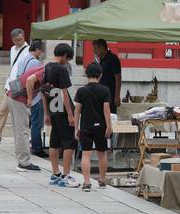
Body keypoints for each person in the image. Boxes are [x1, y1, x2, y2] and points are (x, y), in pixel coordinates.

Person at [42, 43, 78, 187]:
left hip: (52, 108)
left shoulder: (47, 67)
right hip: (63, 110)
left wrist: (46, 113)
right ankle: (66, 175)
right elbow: (65, 93)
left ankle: (55, 173)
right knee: (69, 143)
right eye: (68, 59)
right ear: (64, 56)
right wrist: (71, 115)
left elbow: (43, 91)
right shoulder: (61, 70)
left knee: (54, 142)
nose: (67, 62)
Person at [0, 28, 30, 143]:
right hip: (10, 84)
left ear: (24, 37)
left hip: (21, 85)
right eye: (16, 40)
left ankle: (25, 137)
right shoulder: (12, 49)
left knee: (21, 114)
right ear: (12, 40)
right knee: (3, 109)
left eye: (20, 39)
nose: (18, 42)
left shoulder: (29, 50)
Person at [75, 62, 114, 191]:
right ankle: (102, 179)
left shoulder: (81, 90)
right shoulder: (105, 90)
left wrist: (76, 127)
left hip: (86, 125)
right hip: (101, 126)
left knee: (86, 154)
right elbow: (106, 110)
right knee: (102, 153)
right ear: (100, 75)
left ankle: (86, 182)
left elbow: (77, 110)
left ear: (87, 74)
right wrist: (109, 126)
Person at [9, 39, 45, 173]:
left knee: (19, 130)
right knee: (25, 129)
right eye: (41, 50)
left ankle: (22, 159)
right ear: (38, 50)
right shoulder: (37, 63)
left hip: (14, 93)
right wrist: (30, 98)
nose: (41, 53)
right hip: (23, 98)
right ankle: (24, 162)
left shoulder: (23, 59)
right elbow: (30, 81)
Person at [93, 39, 123, 112]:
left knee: (110, 115)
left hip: (110, 94)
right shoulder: (101, 60)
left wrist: (117, 96)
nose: (94, 51)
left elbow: (118, 77)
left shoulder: (113, 58)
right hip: (101, 93)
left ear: (102, 47)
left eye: (95, 49)